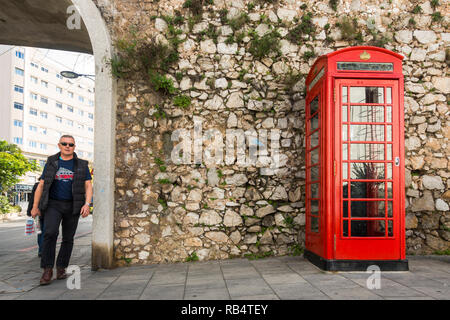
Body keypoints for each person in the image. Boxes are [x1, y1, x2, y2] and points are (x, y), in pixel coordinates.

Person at [31, 135, 92, 285]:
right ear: (59, 145)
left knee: (68, 238)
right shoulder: (52, 162)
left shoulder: (82, 164)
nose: (67, 146)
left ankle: (61, 267)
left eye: (71, 144)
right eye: (64, 144)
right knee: (50, 233)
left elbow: (88, 185)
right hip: (53, 204)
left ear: (74, 147)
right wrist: (35, 206)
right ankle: (47, 269)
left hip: (73, 205)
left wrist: (87, 204)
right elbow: (41, 185)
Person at [26, 181, 45, 257]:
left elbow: (31, 199)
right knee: (44, 231)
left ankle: (41, 250)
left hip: (37, 211)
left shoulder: (36, 185)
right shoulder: (50, 184)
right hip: (45, 211)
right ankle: (42, 250)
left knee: (40, 232)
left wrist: (29, 211)